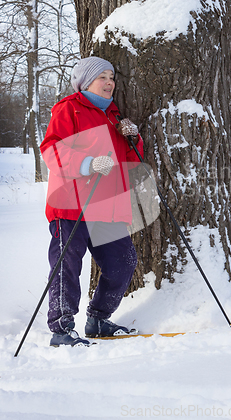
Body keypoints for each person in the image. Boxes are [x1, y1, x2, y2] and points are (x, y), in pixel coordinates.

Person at [40, 56, 143, 347]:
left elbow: (131, 160)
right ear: (85, 81)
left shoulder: (114, 116)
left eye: (112, 77)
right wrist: (87, 164)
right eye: (103, 77)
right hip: (71, 204)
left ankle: (98, 318)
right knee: (67, 265)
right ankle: (62, 329)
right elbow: (51, 150)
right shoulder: (68, 108)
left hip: (106, 205)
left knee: (123, 263)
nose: (110, 82)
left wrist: (133, 138)